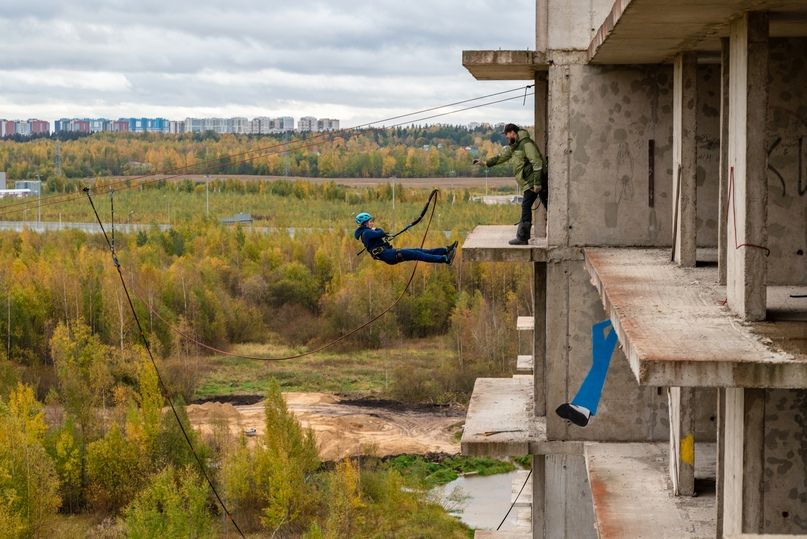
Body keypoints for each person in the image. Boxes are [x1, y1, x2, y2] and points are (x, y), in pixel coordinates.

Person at [474, 123, 547, 245]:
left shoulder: (526, 144)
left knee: (526, 206)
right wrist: (484, 163)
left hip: (533, 181)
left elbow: (537, 162)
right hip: (530, 182)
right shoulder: (514, 147)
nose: (506, 138)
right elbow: (500, 158)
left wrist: (537, 183)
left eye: (507, 135)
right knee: (546, 204)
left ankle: (522, 237)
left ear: (513, 132)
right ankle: (555, 230)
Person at [354, 212, 458, 265]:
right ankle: (445, 259)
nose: (372, 223)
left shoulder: (367, 232)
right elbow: (380, 232)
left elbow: (379, 235)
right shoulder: (366, 233)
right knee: (418, 254)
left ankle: (445, 250)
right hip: (389, 255)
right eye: (370, 221)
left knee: (419, 251)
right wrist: (376, 229)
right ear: (365, 223)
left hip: (389, 253)